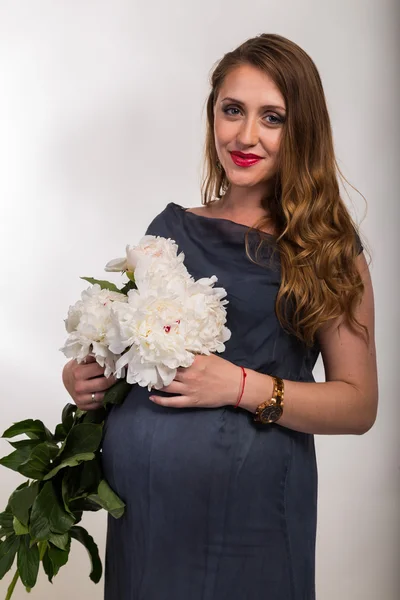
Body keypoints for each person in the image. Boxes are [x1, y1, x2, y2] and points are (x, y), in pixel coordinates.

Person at [62, 33, 378, 600]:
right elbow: (133, 353)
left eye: (272, 117)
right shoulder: (169, 227)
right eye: (232, 110)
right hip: (146, 520)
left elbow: (358, 404)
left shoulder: (327, 248)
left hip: (250, 521)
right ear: (213, 115)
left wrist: (236, 385)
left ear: (302, 128)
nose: (245, 135)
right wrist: (86, 378)